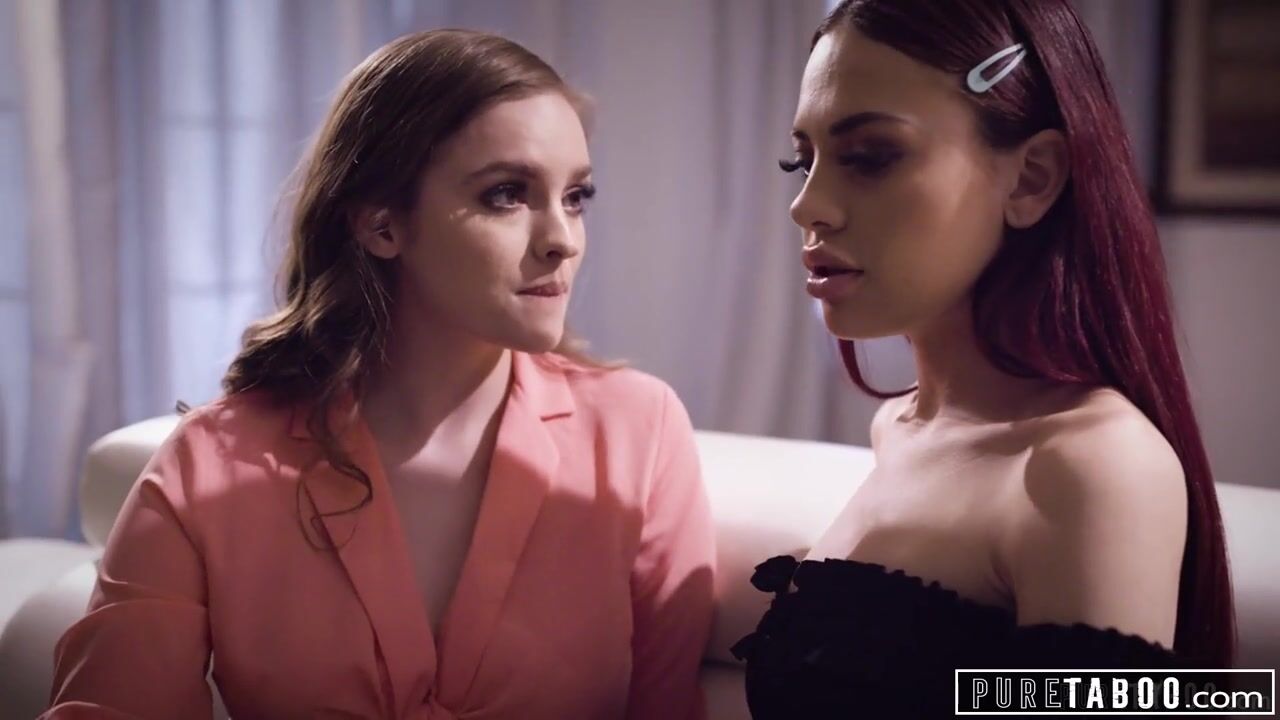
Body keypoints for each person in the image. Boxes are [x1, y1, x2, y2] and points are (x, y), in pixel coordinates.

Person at [45, 29, 714, 720]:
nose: (562, 239)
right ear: (381, 225)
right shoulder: (211, 467)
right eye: (507, 194)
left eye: (575, 197)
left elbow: (668, 707)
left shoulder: (638, 432)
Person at [731, 0, 1235, 716]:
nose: (806, 206)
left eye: (869, 157)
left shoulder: (1089, 467)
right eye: (801, 162)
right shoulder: (900, 430)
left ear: (1031, 178)